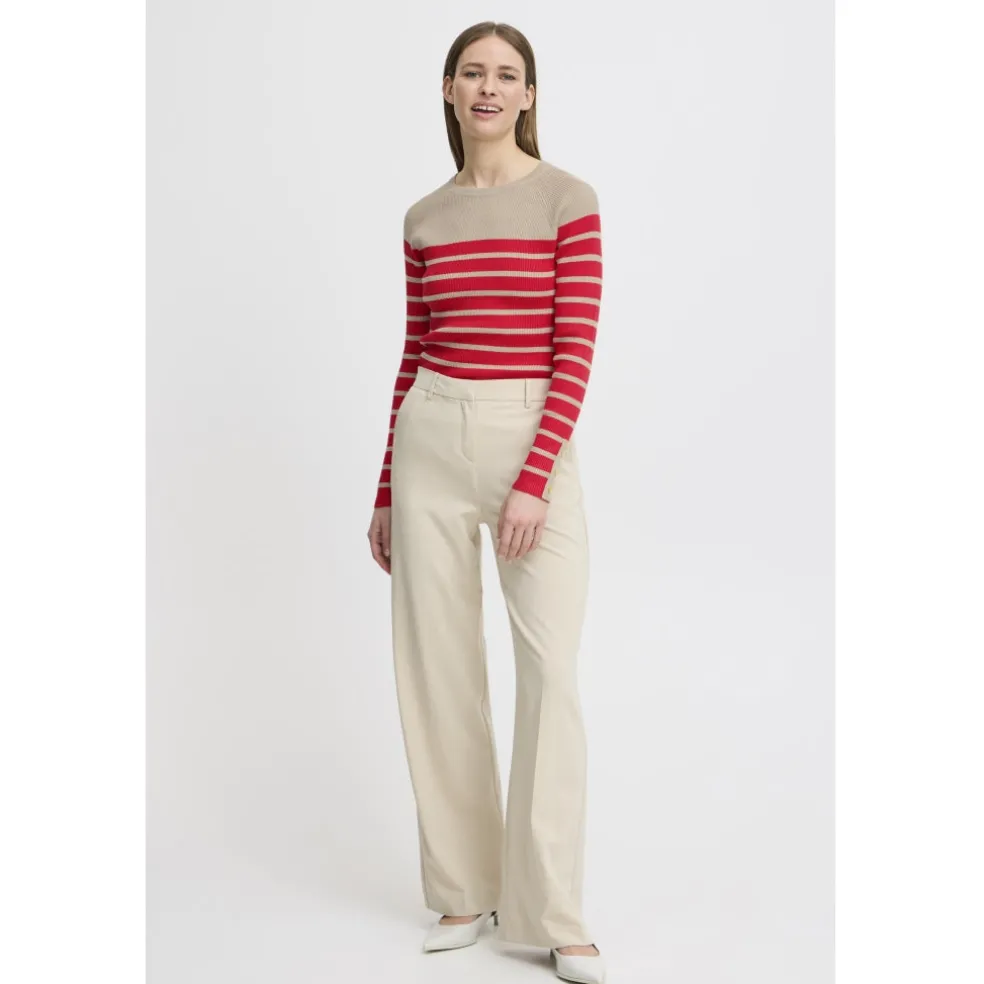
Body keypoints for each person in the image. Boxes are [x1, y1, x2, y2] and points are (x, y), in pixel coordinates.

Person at [366, 21, 605, 984]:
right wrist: (386, 487)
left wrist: (534, 478)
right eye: (473, 73)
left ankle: (554, 911)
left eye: (508, 75)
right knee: (438, 666)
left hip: (527, 432)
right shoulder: (424, 216)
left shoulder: (566, 199)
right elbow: (413, 351)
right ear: (449, 90)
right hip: (430, 433)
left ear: (530, 95)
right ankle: (465, 886)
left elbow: (574, 348)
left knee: (549, 671)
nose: (490, 87)